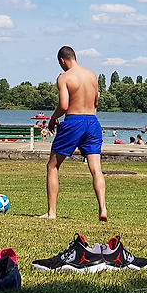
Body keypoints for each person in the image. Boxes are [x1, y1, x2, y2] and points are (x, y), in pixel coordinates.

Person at [41, 46, 107, 221]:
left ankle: (52, 213)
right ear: (75, 57)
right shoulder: (92, 75)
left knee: (53, 166)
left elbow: (64, 105)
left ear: (62, 61)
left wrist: (53, 118)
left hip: (73, 121)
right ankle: (103, 208)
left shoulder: (64, 78)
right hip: (92, 122)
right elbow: (96, 102)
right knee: (96, 169)